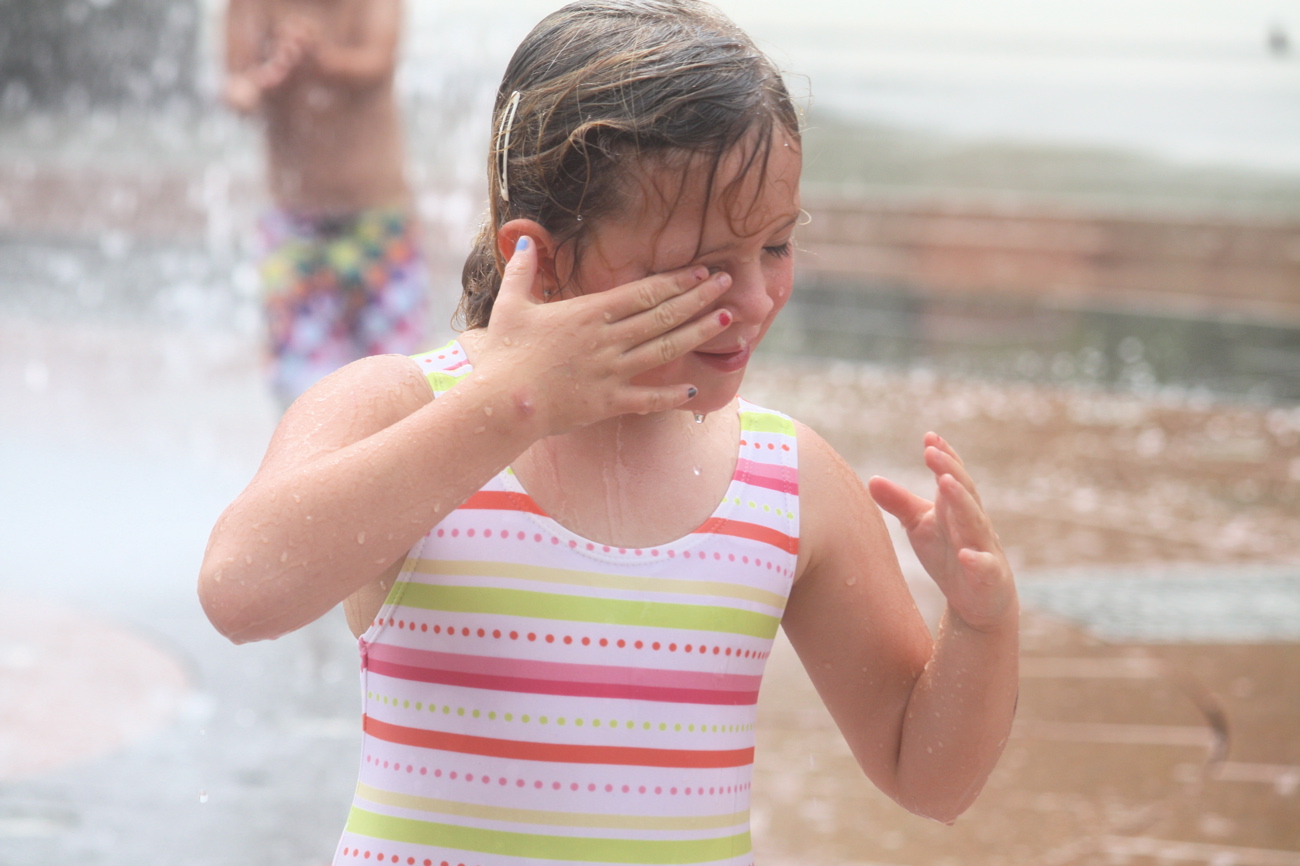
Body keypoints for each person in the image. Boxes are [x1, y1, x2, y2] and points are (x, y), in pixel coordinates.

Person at [199, 2, 1020, 863]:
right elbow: (241, 592)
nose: (754, 299)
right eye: (704, 266)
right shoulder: (407, 411)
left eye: (776, 247)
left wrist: (981, 627)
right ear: (543, 258)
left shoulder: (787, 482)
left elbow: (928, 776)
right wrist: (509, 406)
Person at [222, 0, 430, 406]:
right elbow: (236, 87)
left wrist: (319, 58)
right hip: (295, 223)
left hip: (379, 217)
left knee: (400, 384)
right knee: (301, 389)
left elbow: (378, 63)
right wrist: (265, 80)